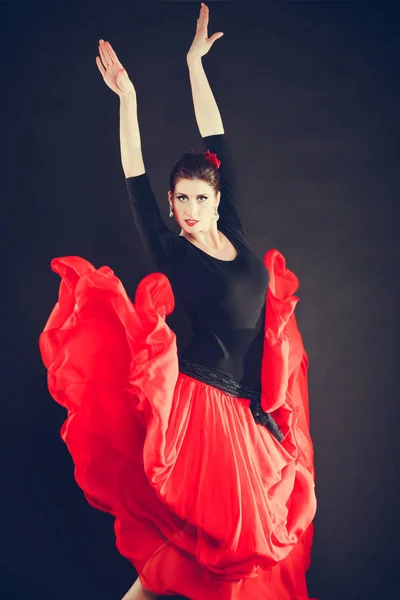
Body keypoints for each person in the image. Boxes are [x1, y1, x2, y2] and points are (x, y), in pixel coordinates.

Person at [39, 3, 318, 600]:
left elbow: (217, 137)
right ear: (172, 206)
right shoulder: (174, 251)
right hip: (202, 404)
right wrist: (128, 99)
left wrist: (195, 64)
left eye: (199, 197)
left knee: (223, 551)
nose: (190, 209)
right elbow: (134, 177)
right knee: (217, 542)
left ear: (217, 200)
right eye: (180, 200)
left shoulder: (235, 232)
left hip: (247, 412)